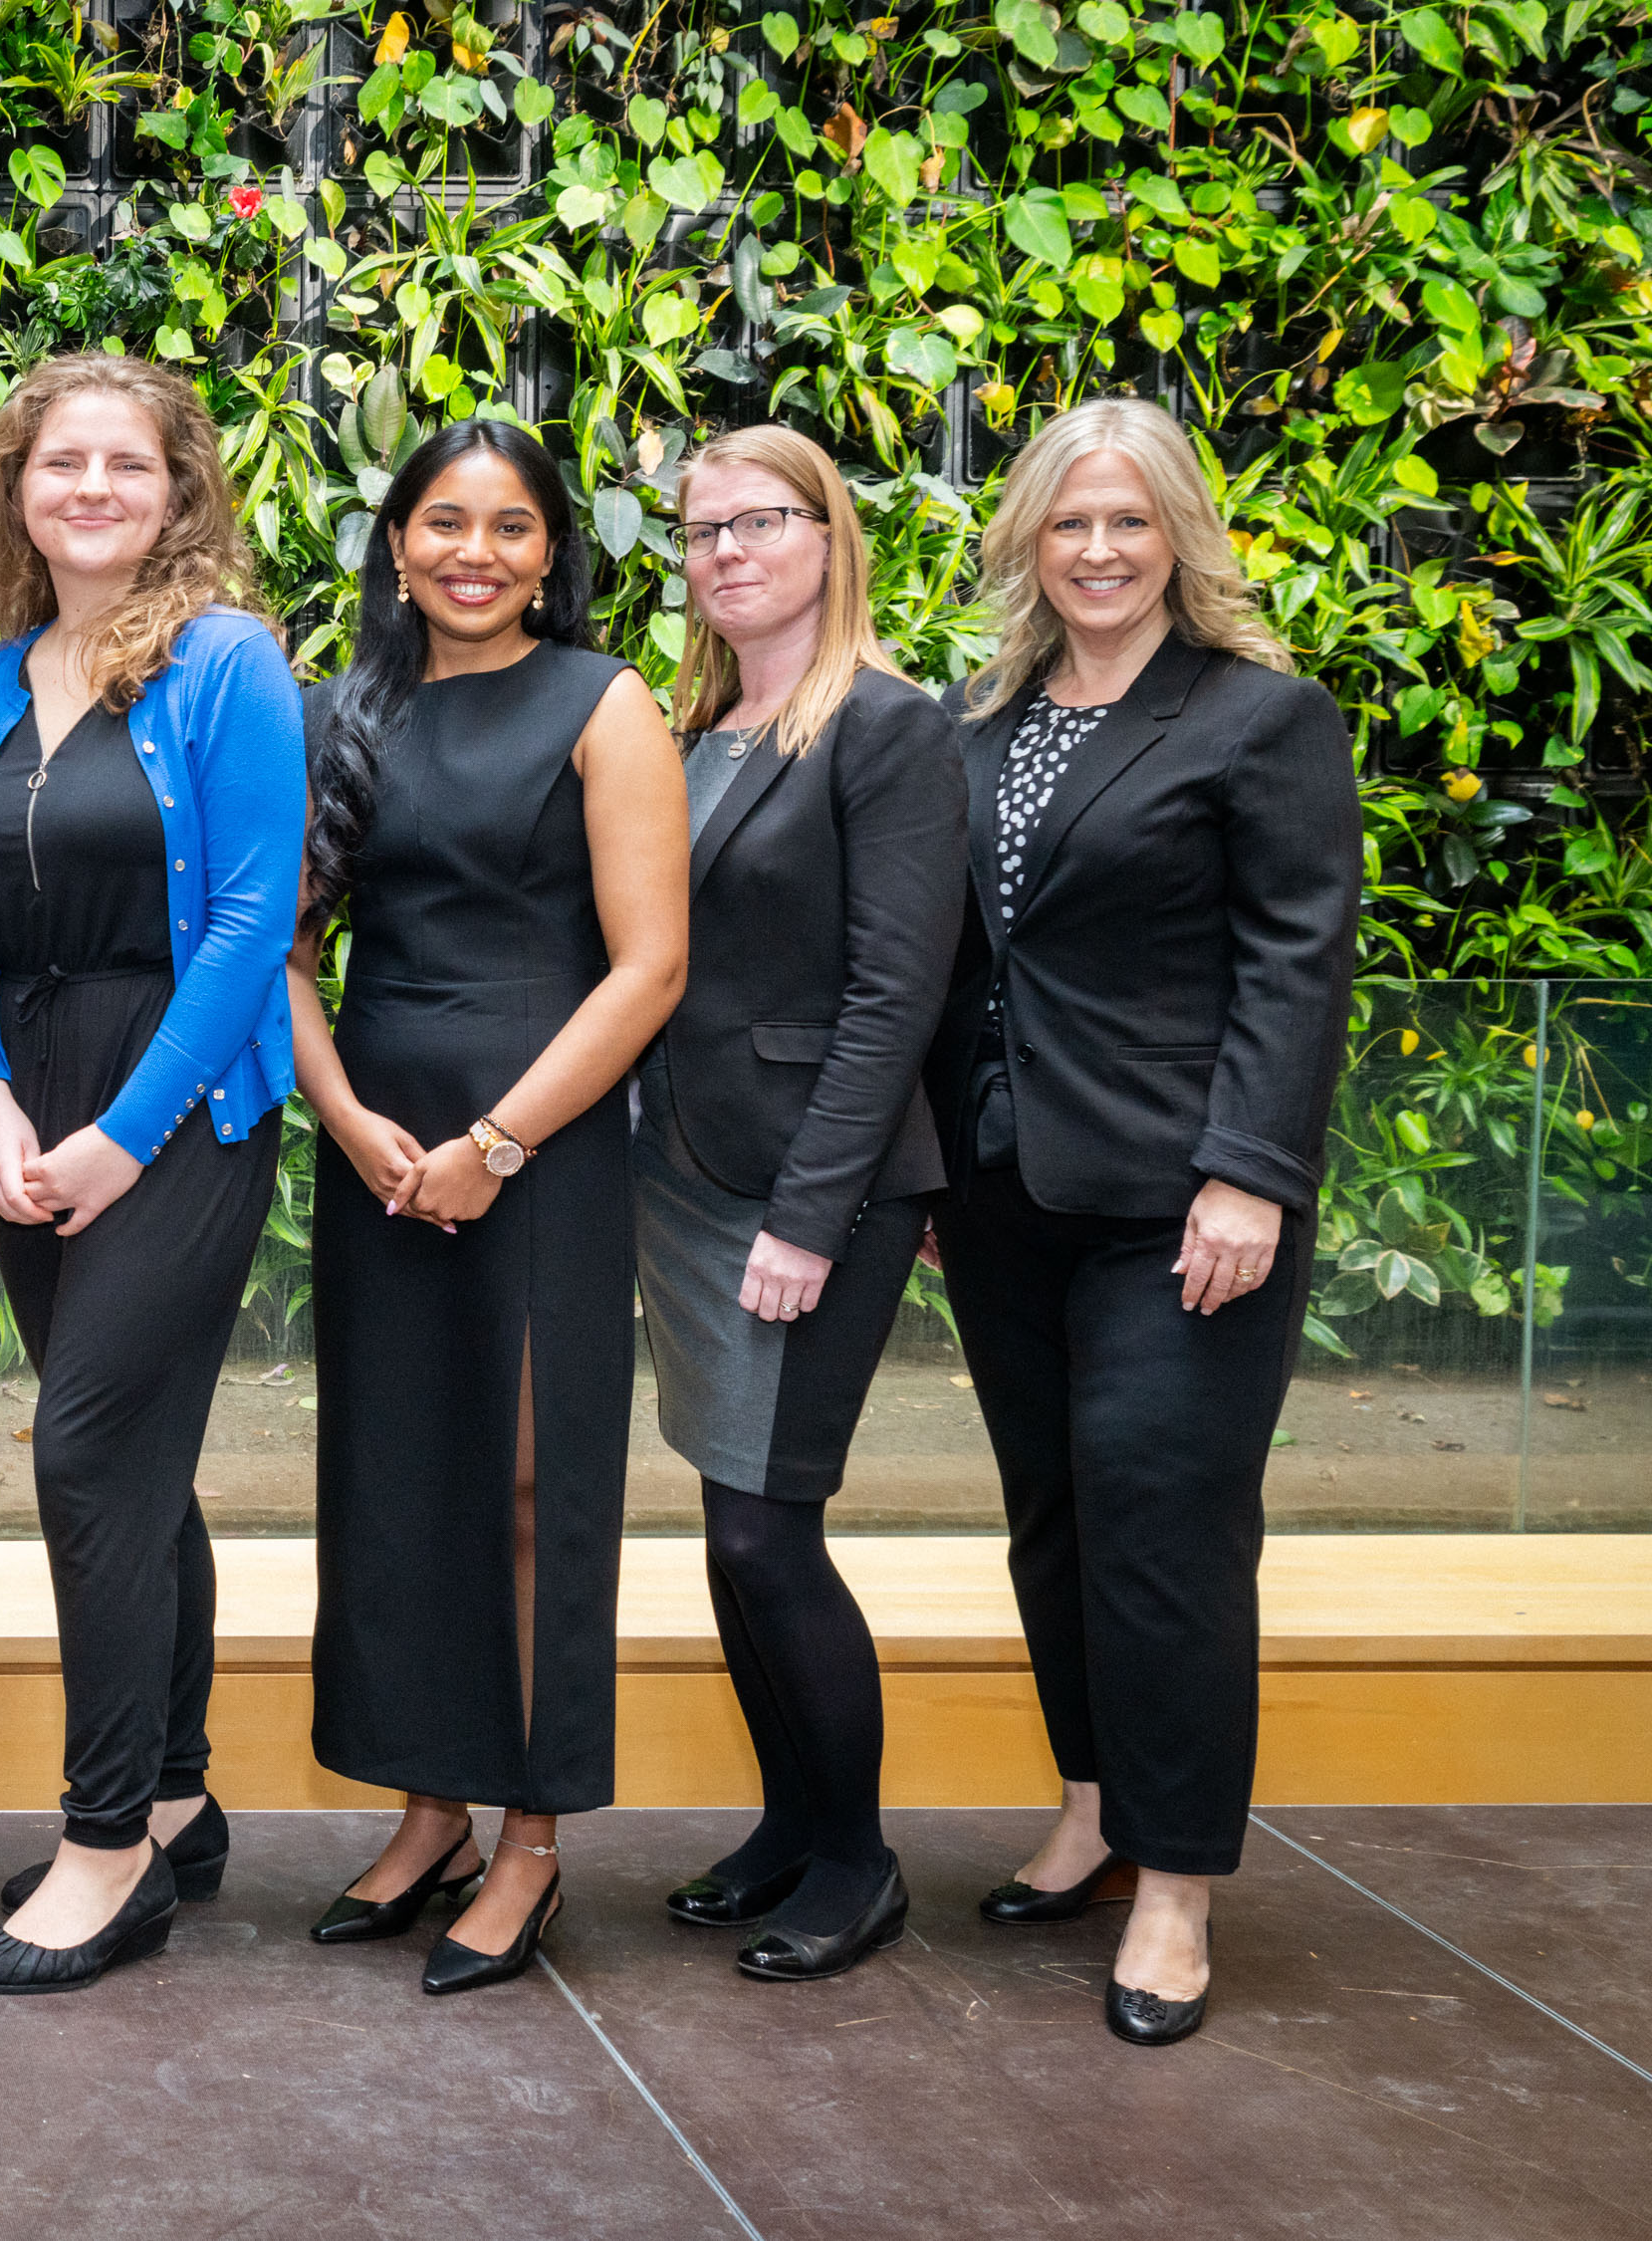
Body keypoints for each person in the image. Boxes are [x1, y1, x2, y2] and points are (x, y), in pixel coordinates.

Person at [927, 396, 1357, 2046]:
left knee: (1167, 1529)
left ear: (1181, 532)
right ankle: (1097, 1804)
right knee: (1054, 1512)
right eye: (1069, 521)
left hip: (1187, 1202)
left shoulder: (1260, 718)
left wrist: (1251, 1168)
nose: (1098, 549)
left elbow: (1298, 959)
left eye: (1128, 520)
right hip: (1001, 1189)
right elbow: (959, 964)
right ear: (1028, 538)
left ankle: (1175, 1885)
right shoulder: (987, 719)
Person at [0, 355, 305, 1995]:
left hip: (181, 1106)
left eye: (124, 464)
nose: (90, 486)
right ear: (16, 488)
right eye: (57, 460)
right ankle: (176, 1787)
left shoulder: (228, 664)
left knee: (84, 1454)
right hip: (38, 1101)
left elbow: (249, 924)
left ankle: (105, 1849)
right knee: (138, 1459)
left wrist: (116, 1134)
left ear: (176, 489)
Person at [292, 417, 686, 1996]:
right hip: (378, 1150)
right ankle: (428, 1807)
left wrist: (495, 1145)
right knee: (399, 1482)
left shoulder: (608, 703)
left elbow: (651, 967)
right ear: (396, 545)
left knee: (529, 1490)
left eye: (511, 526)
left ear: (551, 554)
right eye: (443, 521)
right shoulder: (343, 713)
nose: (475, 551)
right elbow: (284, 952)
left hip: (544, 1151)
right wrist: (354, 1121)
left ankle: (529, 1833)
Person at [633, 426, 966, 1982]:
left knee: (774, 1534)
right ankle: (785, 1824)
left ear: (830, 537)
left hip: (805, 1188)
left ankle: (856, 1855)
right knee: (728, 1527)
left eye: (759, 522)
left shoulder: (888, 730)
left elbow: (898, 996)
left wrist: (811, 1218)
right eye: (700, 532)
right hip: (685, 1175)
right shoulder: (696, 725)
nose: (725, 553)